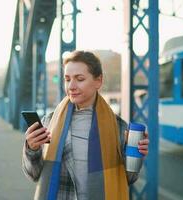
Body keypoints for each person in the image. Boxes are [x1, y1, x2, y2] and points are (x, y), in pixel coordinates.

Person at [22, 50, 149, 200]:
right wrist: (32, 149)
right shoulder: (49, 122)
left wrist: (135, 154)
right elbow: (33, 174)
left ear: (98, 81)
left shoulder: (119, 127)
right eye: (67, 79)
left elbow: (130, 178)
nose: (71, 86)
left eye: (80, 79)